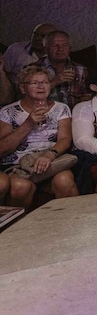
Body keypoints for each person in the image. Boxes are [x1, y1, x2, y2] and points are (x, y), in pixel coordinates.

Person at [0, 65, 79, 209]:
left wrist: (49, 155)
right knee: (20, 186)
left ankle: (70, 226)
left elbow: (65, 140)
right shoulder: (8, 111)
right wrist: (28, 124)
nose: (41, 86)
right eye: (35, 83)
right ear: (23, 88)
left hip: (51, 161)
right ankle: (20, 228)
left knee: (64, 181)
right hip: (19, 165)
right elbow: (3, 148)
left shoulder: (61, 108)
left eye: (45, 82)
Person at [37, 31, 89, 108]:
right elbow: (26, 96)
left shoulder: (80, 70)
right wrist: (55, 81)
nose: (60, 49)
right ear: (46, 49)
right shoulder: (34, 69)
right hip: (43, 113)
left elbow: (85, 96)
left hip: (74, 115)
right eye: (55, 45)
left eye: (65, 45)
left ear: (70, 48)